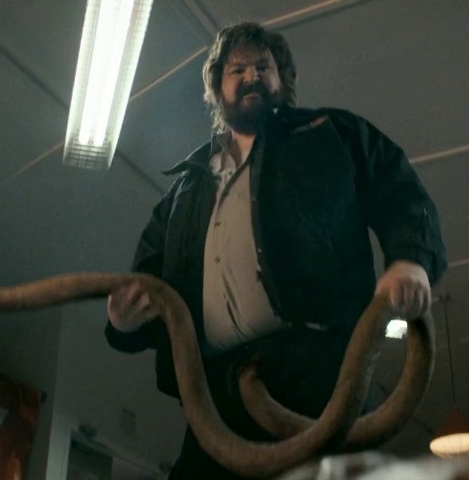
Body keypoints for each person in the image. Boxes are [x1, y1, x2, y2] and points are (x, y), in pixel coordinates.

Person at [104, 21, 447, 479]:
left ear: (281, 79)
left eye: (263, 67)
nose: (251, 76)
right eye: (237, 69)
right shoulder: (185, 189)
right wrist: (123, 322)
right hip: (216, 400)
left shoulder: (331, 134)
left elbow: (397, 188)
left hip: (320, 380)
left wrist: (409, 261)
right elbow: (147, 285)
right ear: (217, 89)